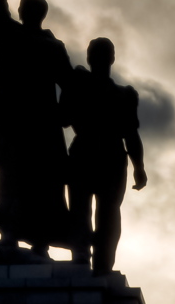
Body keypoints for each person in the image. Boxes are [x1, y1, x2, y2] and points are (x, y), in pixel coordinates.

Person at [0, 0, 73, 256]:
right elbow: (69, 85)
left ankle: (26, 238)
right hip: (27, 124)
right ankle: (26, 239)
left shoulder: (16, 37)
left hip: (31, 125)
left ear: (25, 12)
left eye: (20, 7)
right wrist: (64, 112)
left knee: (31, 182)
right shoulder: (47, 45)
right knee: (23, 181)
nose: (17, 9)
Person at [61, 37, 147, 275]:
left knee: (106, 215)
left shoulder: (124, 95)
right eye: (95, 54)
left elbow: (131, 135)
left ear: (111, 58)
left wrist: (139, 167)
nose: (98, 59)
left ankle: (100, 265)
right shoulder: (79, 85)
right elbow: (63, 118)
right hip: (88, 154)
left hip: (109, 157)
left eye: (102, 54)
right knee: (83, 211)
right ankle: (84, 258)